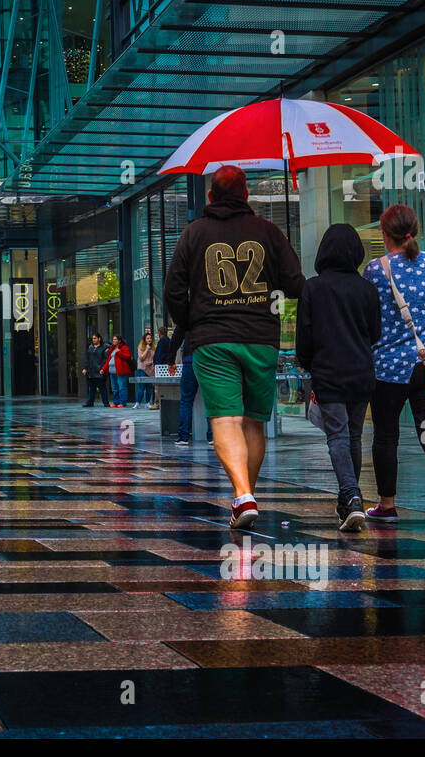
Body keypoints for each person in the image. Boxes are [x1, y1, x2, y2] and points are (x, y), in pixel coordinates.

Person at [163, 164, 305, 530]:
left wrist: (190, 321)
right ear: (246, 195)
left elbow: (173, 290)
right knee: (255, 422)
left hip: (213, 340)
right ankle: (245, 495)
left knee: (226, 418)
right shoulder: (269, 232)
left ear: (210, 196)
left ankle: (243, 495)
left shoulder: (194, 233)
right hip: (261, 338)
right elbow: (295, 284)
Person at [363, 204, 425, 531]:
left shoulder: (376, 270)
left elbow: (371, 316)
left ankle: (387, 504)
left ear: (384, 234)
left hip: (388, 369)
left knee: (386, 435)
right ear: (414, 229)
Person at [297, 224, 382, 533]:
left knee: (337, 436)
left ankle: (350, 495)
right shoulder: (367, 289)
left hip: (328, 370)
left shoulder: (313, 287)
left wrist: (307, 363)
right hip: (361, 371)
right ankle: (348, 501)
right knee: (354, 436)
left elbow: (305, 336)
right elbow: (375, 333)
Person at [104, 334, 132, 408]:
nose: (114, 341)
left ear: (119, 340)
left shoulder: (124, 348)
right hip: (112, 372)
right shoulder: (112, 349)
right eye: (113, 339)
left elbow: (128, 356)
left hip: (121, 372)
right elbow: (108, 360)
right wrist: (103, 369)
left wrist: (119, 352)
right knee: (114, 388)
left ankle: (122, 402)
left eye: (115, 339)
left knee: (122, 387)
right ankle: (116, 402)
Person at [81, 332, 108, 407]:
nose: (93, 340)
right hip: (91, 371)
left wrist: (102, 368)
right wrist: (85, 368)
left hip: (99, 371)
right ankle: (90, 402)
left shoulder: (104, 347)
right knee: (92, 388)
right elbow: (87, 359)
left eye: (95, 338)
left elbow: (105, 360)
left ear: (99, 338)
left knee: (102, 388)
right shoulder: (90, 347)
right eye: (93, 338)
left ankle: (106, 403)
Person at [135, 331, 156, 409]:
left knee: (149, 387)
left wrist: (151, 362)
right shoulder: (141, 347)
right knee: (141, 386)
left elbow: (156, 358)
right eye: (147, 338)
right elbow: (141, 358)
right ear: (144, 340)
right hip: (142, 369)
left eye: (150, 338)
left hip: (150, 369)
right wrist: (147, 349)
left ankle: (147, 402)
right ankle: (138, 403)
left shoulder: (154, 347)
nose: (149, 339)